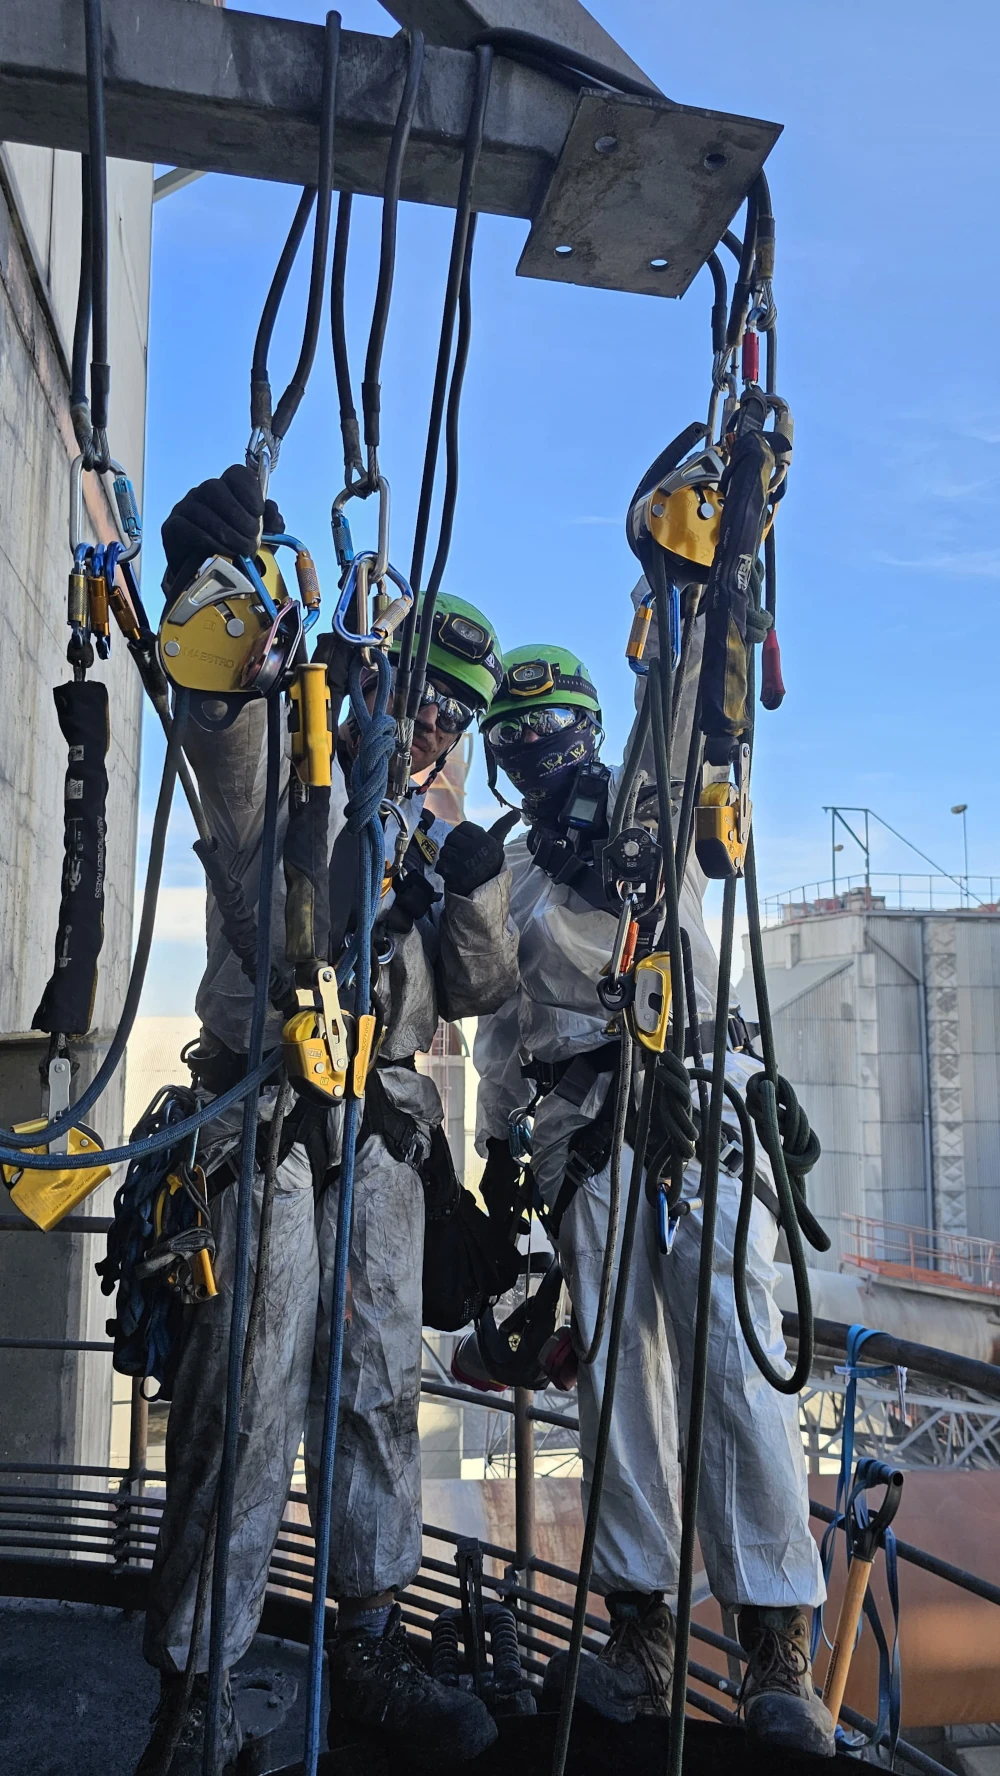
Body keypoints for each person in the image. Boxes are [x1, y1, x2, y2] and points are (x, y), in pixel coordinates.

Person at [134, 465, 520, 1774]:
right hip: (268, 1122)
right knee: (241, 1404)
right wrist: (208, 592)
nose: (433, 729)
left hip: (385, 1135)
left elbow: (479, 990)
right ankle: (198, 1688)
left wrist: (476, 888)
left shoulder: (431, 826)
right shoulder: (298, 764)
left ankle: (366, 1644)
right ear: (377, 676)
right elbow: (221, 738)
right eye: (422, 698)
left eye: (454, 716)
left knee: (375, 1394)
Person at [472, 616, 836, 1757]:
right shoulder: (510, 872)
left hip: (693, 1106)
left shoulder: (651, 812)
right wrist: (498, 1162)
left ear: (587, 732)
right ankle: (641, 1634)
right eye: (516, 737)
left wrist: (689, 578)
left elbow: (676, 712)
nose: (537, 751)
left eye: (552, 729)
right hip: (585, 1136)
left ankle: (775, 1640)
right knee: (615, 1385)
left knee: (731, 1345)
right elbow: (500, 1031)